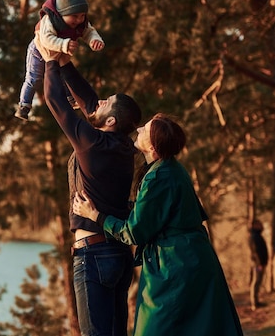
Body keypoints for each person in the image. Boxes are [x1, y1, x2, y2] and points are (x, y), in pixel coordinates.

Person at [73, 114, 243, 336]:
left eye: (146, 129)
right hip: (190, 259)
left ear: (152, 147)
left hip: (175, 265)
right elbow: (155, 211)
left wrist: (95, 215)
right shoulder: (170, 168)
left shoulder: (159, 177)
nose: (140, 127)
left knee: (153, 329)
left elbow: (132, 232)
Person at [42, 50, 141, 336]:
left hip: (94, 255)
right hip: (119, 254)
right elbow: (90, 106)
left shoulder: (93, 145)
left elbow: (56, 103)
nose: (99, 101)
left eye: (106, 102)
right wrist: (65, 64)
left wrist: (49, 60)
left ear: (111, 122)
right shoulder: (122, 147)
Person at [15, 0, 105, 121]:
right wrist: (64, 44)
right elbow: (45, 38)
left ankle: (71, 99)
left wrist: (95, 40)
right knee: (34, 78)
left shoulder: (81, 23)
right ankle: (24, 105)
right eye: (74, 16)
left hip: (58, 54)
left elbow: (89, 31)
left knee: (64, 75)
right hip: (39, 50)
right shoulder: (50, 20)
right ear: (62, 13)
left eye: (82, 16)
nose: (78, 20)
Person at [248, 219, 269, 311]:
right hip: (257, 264)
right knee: (256, 281)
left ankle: (256, 301)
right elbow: (256, 252)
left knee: (258, 281)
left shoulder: (257, 236)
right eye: (260, 224)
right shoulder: (254, 237)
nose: (262, 226)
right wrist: (259, 264)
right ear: (255, 225)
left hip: (259, 263)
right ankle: (254, 303)